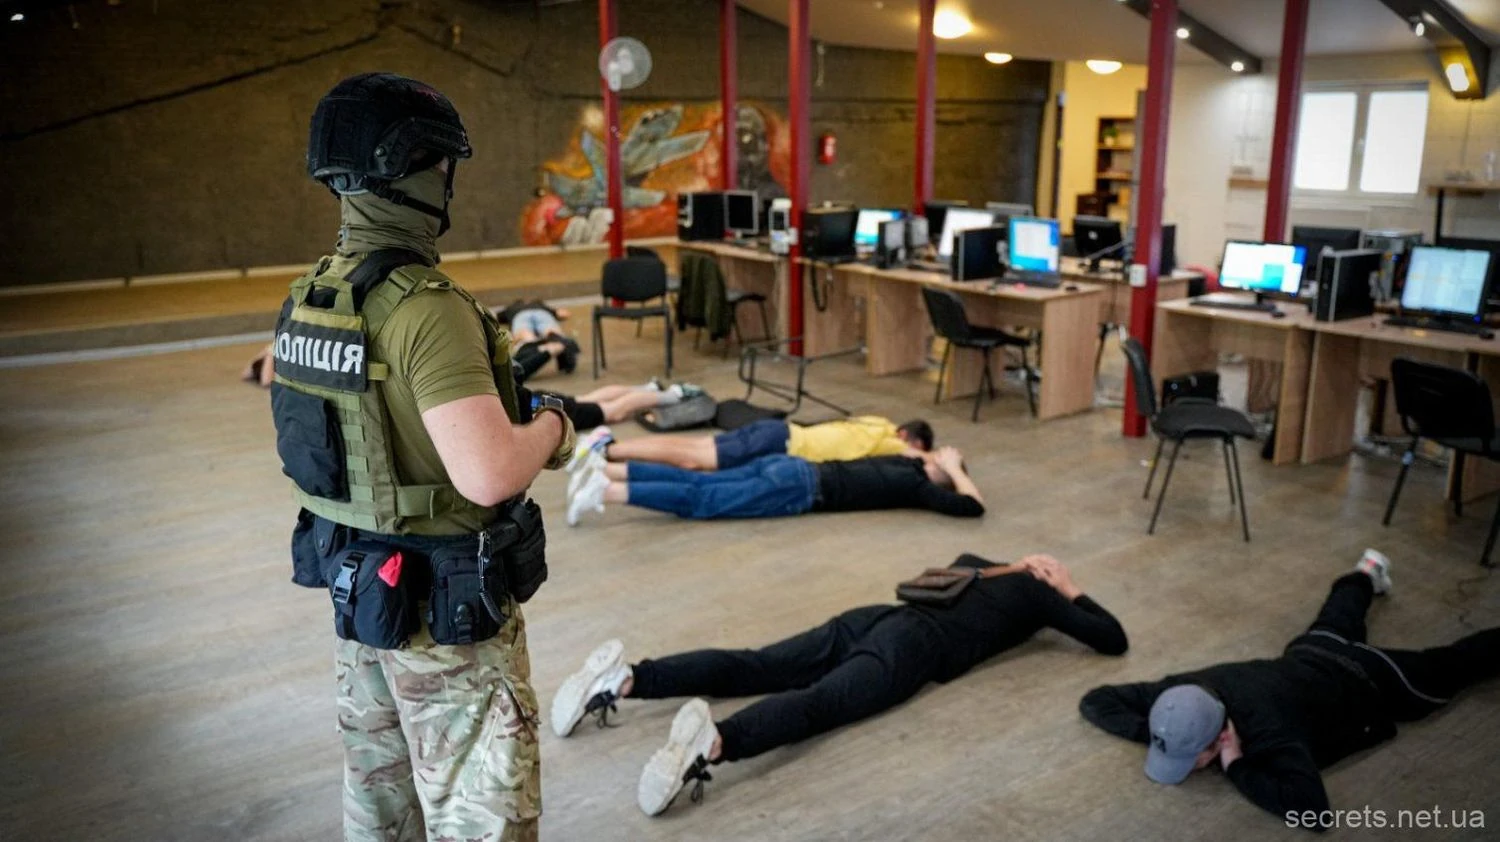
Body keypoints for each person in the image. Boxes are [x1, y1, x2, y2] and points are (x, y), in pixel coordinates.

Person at [273, 73, 575, 842]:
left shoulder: (314, 296)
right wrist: (554, 428)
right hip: (446, 628)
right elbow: (490, 472)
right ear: (414, 172)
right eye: (442, 165)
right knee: (479, 819)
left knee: (381, 808)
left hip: (362, 603)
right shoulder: (428, 308)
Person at [549, 553, 1128, 816]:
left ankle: (627, 679)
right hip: (912, 649)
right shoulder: (1039, 596)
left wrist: (1020, 566)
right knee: (823, 702)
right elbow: (1111, 637)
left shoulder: (985, 565)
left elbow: (950, 571)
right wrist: (1066, 586)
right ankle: (716, 742)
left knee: (758, 662)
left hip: (874, 617)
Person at [1079, 550, 1500, 829]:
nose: (1190, 767)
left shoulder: (1269, 732)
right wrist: (1164, 736)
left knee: (1454, 665)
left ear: (1222, 738)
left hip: (1373, 680)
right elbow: (1095, 701)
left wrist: (1236, 766)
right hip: (1313, 651)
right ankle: (1365, 571)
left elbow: (1314, 812)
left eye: (1194, 758)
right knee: (1338, 613)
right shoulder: (1182, 694)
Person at [565, 446, 984, 526]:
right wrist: (954, 470)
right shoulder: (914, 484)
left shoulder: (904, 463)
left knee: (700, 482)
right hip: (798, 489)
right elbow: (972, 507)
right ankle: (607, 491)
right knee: (702, 500)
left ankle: (613, 474)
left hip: (791, 466)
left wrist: (943, 463)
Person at [589, 415, 934, 472]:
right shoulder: (889, 441)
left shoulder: (877, 422)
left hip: (778, 430)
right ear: (907, 438)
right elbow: (921, 459)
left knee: (694, 447)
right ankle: (610, 449)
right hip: (780, 443)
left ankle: (613, 446)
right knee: (692, 459)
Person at [494, 299, 579, 377]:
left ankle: (529, 341)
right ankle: (554, 337)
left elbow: (493, 317)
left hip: (520, 315)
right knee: (551, 331)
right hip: (543, 313)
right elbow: (563, 314)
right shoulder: (541, 305)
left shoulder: (511, 308)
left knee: (525, 335)